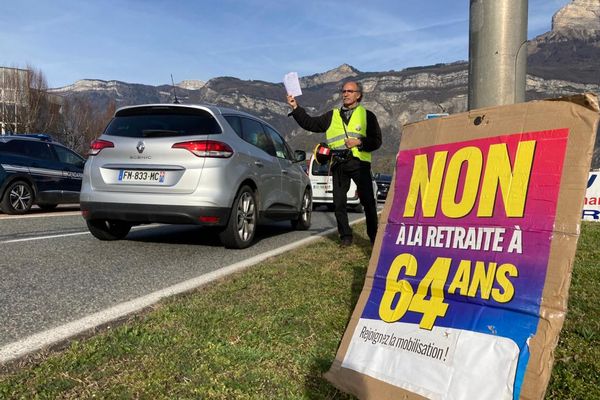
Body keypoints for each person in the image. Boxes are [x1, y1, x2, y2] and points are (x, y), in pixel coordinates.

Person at [286, 81, 382, 246]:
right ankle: (345, 237)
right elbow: (311, 123)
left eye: (350, 91)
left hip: (359, 164)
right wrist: (296, 108)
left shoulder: (368, 116)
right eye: (343, 91)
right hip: (338, 163)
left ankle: (374, 237)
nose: (345, 94)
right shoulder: (333, 115)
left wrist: (359, 142)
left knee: (368, 202)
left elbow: (377, 141)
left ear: (358, 95)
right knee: (338, 203)